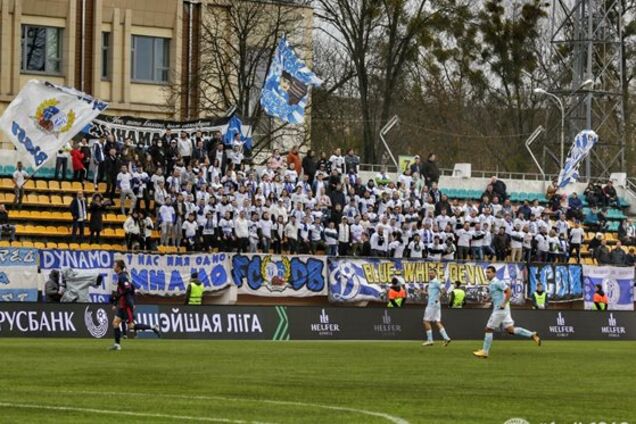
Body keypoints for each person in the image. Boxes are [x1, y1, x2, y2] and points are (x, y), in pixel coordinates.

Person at [473, 266, 541, 359]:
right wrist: (487, 298)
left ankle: (485, 351)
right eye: (486, 272)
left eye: (489, 272)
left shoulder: (498, 282)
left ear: (494, 273)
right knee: (510, 330)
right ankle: (532, 334)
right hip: (504, 310)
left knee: (488, 329)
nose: (487, 274)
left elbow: (509, 291)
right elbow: (495, 294)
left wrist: (503, 303)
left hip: (500, 310)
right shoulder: (491, 284)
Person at [110, 260, 160, 350]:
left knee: (131, 326)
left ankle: (152, 327)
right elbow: (120, 291)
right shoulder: (121, 276)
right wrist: (115, 302)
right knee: (115, 323)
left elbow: (128, 289)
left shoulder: (122, 277)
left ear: (119, 267)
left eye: (115, 265)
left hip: (126, 306)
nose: (113, 266)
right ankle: (117, 345)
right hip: (122, 305)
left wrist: (127, 300)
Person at [422, 270, 451, 347]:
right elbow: (431, 293)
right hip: (436, 304)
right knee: (437, 321)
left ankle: (430, 340)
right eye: (429, 273)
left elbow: (444, 290)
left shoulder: (436, 282)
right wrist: (422, 292)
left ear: (435, 274)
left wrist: (438, 297)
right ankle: (446, 338)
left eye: (432, 273)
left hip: (432, 304)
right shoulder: (431, 283)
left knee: (425, 321)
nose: (430, 274)